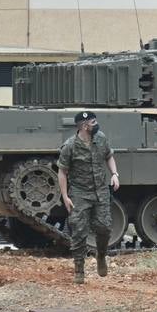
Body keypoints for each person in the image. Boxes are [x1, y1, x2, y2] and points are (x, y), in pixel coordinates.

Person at [57, 110, 119, 284]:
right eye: (93, 122)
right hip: (79, 193)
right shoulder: (70, 146)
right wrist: (65, 196)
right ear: (84, 126)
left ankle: (101, 255)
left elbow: (109, 156)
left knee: (105, 228)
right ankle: (79, 270)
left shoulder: (101, 138)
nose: (96, 124)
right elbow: (62, 171)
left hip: (100, 191)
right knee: (78, 231)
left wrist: (114, 174)